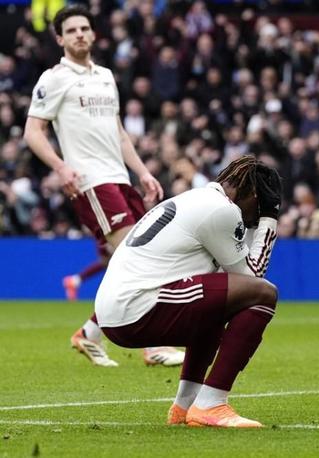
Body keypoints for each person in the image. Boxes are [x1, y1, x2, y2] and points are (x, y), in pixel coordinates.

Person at [23, 5, 183, 367]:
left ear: (94, 34)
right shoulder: (54, 79)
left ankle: (90, 333)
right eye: (71, 30)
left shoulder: (106, 77)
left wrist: (143, 172)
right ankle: (151, 345)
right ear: (60, 39)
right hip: (91, 181)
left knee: (140, 257)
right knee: (139, 257)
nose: (79, 34)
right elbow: (33, 132)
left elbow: (119, 132)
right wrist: (61, 167)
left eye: (84, 28)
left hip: (120, 178)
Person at [95, 155, 282, 428]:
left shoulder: (197, 199)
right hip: (138, 308)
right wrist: (270, 219)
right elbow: (253, 278)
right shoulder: (221, 209)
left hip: (117, 311)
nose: (253, 220)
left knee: (217, 304)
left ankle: (185, 406)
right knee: (264, 293)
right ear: (253, 194)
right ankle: (211, 403)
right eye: (258, 208)